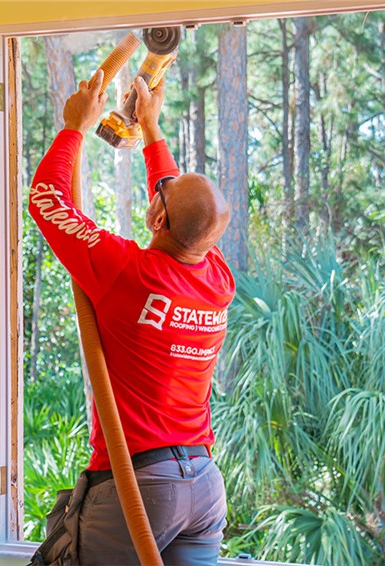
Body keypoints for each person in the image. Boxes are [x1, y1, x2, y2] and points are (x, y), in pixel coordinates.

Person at [28, 69, 234, 565]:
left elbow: (47, 201)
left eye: (161, 197)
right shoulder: (217, 278)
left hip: (139, 485)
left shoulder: (129, 273)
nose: (159, 191)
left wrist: (76, 126)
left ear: (158, 219)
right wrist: (151, 127)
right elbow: (179, 206)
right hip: (202, 486)